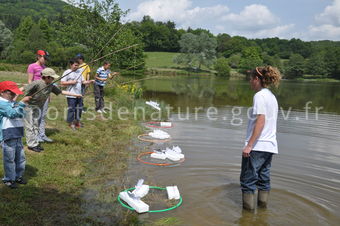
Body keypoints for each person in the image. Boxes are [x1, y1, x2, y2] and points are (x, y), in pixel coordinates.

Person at [240, 66, 281, 211]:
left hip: (257, 147)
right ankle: (262, 211)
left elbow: (261, 121)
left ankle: (248, 216)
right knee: (264, 180)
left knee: (247, 181)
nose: (250, 82)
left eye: (250, 79)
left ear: (257, 79)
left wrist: (249, 145)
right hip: (270, 146)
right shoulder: (271, 96)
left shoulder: (259, 96)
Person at [23, 68, 82, 152]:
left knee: (36, 124)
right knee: (29, 126)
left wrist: (76, 95)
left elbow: (61, 92)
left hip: (38, 107)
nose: (53, 79)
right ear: (46, 77)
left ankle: (35, 142)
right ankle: (31, 145)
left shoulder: (51, 85)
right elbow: (24, 89)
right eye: (52, 77)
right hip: (28, 106)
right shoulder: (37, 83)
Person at [0, 81, 31, 189]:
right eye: (11, 93)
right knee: (9, 159)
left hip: (17, 133)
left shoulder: (11, 102)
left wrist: (20, 106)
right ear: (2, 92)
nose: (13, 95)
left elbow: (22, 113)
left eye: (14, 93)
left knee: (21, 157)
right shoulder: (1, 103)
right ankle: (9, 179)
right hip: (8, 135)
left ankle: (18, 176)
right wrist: (21, 103)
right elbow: (12, 114)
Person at [27, 50, 52, 143]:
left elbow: (48, 83)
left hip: (45, 95)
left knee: (43, 115)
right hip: (36, 95)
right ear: (38, 56)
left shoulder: (45, 68)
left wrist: (48, 94)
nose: (45, 60)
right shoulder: (32, 66)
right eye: (44, 58)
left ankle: (42, 134)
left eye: (46, 58)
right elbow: (30, 81)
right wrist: (32, 93)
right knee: (36, 116)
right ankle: (35, 135)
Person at [60, 58, 94, 129]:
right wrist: (71, 82)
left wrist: (90, 81)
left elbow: (83, 82)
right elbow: (62, 83)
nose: (76, 67)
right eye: (75, 65)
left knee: (79, 109)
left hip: (79, 94)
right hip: (71, 95)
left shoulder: (79, 72)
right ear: (71, 65)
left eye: (78, 65)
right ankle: (71, 123)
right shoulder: (67, 72)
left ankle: (77, 122)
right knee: (71, 109)